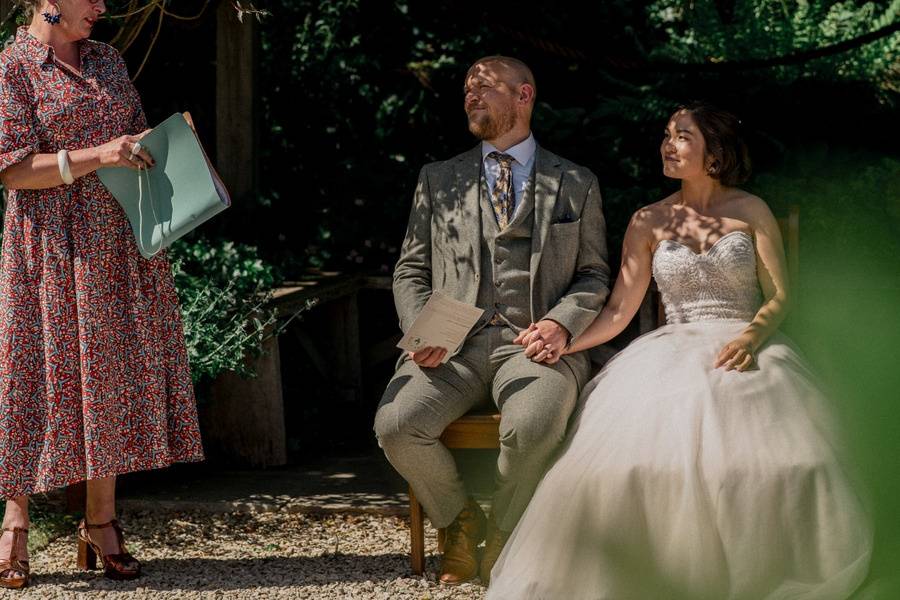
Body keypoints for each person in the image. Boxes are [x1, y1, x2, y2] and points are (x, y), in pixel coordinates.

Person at [485, 102, 872, 599]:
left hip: (744, 340)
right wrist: (563, 341)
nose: (668, 144)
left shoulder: (750, 210)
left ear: (714, 153)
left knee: (795, 460)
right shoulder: (648, 219)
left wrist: (751, 338)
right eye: (666, 134)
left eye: (682, 136)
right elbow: (619, 311)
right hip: (669, 351)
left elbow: (779, 294)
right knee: (621, 466)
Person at [374, 55, 610, 585]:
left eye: (485, 87)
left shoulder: (575, 181)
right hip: (450, 347)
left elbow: (594, 275)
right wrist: (420, 334)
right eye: (466, 89)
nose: (471, 96)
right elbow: (410, 269)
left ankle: (507, 526)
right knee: (395, 425)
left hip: (535, 345)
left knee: (534, 423)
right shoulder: (438, 179)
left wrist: (561, 324)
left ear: (524, 96)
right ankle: (459, 521)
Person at [0, 0, 204, 588]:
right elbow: (12, 169)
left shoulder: (108, 60)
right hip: (48, 249)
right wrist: (96, 156)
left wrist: (163, 145)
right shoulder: (13, 65)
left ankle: (101, 522)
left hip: (117, 242)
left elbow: (130, 146)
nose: (102, 7)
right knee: (30, 378)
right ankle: (13, 525)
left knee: (105, 380)